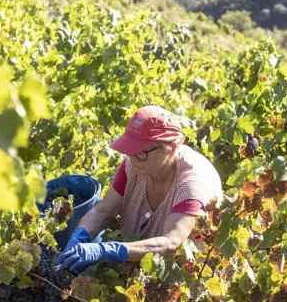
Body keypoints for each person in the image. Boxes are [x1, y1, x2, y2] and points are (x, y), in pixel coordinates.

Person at [54, 105, 223, 274]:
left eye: (140, 152)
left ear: (170, 149)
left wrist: (107, 250)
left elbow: (171, 244)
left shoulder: (192, 186)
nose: (133, 159)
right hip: (136, 270)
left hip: (179, 279)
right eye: (130, 150)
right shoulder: (135, 165)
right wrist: (79, 236)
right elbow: (103, 211)